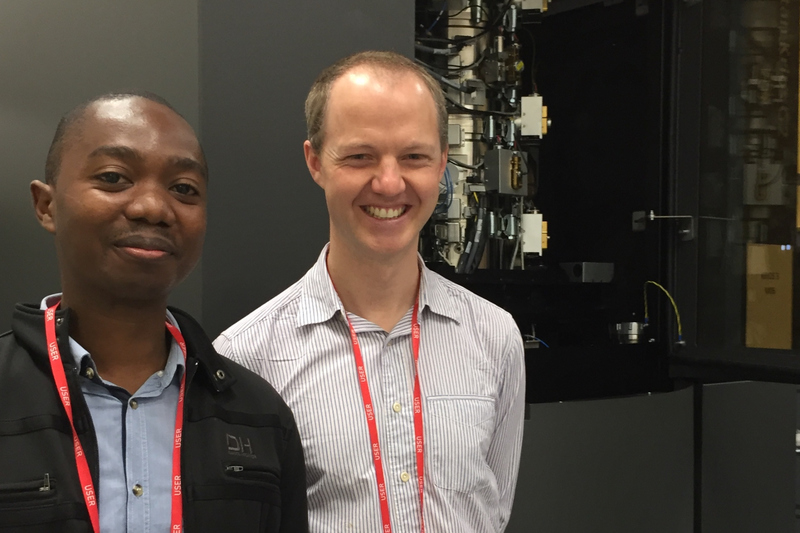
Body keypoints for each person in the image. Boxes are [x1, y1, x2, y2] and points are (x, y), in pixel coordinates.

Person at [214, 51, 525, 532]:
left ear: (443, 162)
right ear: (315, 161)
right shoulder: (244, 358)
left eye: (414, 157)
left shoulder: (494, 336)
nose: (388, 182)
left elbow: (494, 510)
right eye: (360, 156)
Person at [0, 92, 308, 532]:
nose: (152, 208)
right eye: (114, 178)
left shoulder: (258, 416)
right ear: (46, 205)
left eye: (183, 188)